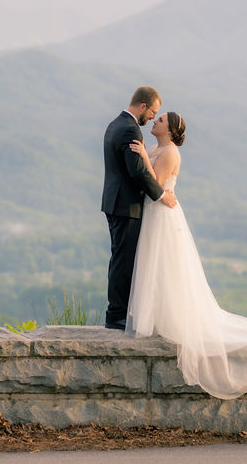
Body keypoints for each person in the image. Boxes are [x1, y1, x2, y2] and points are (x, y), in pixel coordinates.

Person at [126, 111, 247, 399]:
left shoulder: (169, 152)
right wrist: (144, 154)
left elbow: (156, 183)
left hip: (163, 215)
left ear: (170, 129)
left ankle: (172, 319)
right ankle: (156, 317)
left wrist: (141, 157)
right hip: (154, 213)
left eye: (161, 120)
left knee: (166, 264)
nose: (155, 122)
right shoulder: (156, 147)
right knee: (156, 266)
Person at [101, 86, 177, 330]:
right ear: (143, 106)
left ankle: (120, 312)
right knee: (124, 260)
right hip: (127, 204)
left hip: (116, 202)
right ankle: (117, 315)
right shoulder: (130, 130)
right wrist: (161, 195)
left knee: (120, 257)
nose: (153, 117)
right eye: (153, 112)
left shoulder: (116, 124)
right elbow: (138, 172)